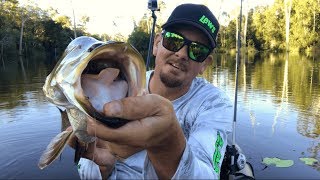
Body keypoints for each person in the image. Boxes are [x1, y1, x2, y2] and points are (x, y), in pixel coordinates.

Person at [71, 3, 233, 179]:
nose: (182, 54)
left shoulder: (214, 103)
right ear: (157, 44)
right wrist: (100, 170)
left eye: (197, 50)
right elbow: (88, 164)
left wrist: (167, 143)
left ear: (205, 64)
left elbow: (208, 176)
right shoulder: (118, 84)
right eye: (174, 40)